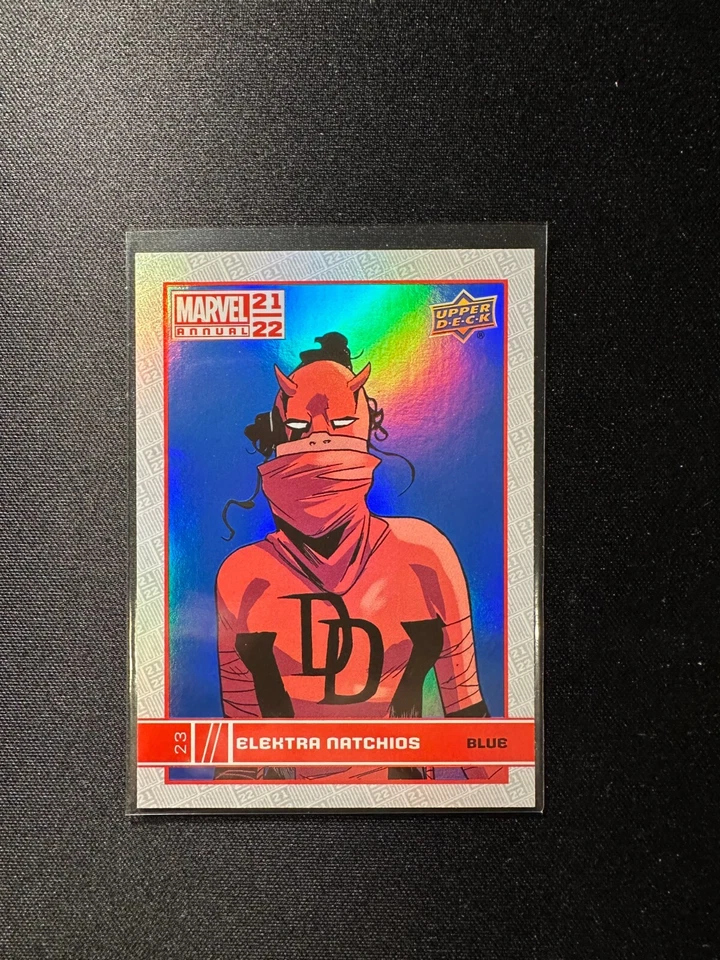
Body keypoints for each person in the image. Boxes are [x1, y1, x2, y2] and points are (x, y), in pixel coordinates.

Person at [215, 333, 491, 782]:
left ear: (365, 427)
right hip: (287, 809)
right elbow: (240, 749)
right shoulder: (243, 576)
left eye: (341, 422)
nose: (320, 439)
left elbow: (469, 720)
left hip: (405, 806)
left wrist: (502, 801)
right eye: (301, 427)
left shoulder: (425, 555)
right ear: (279, 430)